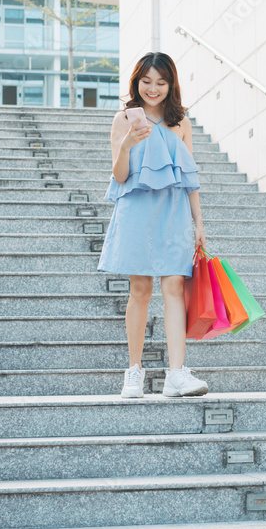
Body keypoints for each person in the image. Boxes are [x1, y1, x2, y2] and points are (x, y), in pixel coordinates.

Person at [97, 51, 209, 399]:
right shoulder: (123, 119)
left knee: (174, 286)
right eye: (147, 81)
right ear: (137, 81)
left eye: (161, 82)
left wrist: (199, 223)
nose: (153, 88)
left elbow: (188, 177)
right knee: (140, 289)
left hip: (174, 211)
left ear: (171, 84)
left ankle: (176, 374)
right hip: (136, 209)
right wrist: (127, 144)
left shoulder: (181, 123)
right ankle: (134, 371)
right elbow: (119, 176)